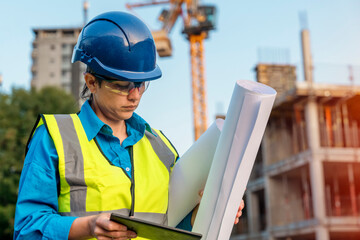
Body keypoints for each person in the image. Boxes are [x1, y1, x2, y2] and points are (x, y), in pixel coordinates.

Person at [14, 11, 244, 240]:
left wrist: (203, 213)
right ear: (92, 82)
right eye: (123, 85)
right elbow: (26, 229)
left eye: (141, 84)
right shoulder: (54, 138)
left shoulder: (160, 147)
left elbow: (170, 226)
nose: (135, 96)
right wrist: (89, 226)